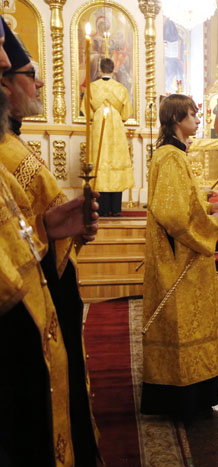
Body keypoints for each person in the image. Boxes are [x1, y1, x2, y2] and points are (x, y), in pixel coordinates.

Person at [0, 22, 101, 465]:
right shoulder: (10, 152)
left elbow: (21, 233)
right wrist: (45, 231)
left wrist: (50, 227)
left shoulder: (11, 144)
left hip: (42, 299)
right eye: (25, 73)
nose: (33, 81)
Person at [141, 94, 218, 420]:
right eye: (193, 113)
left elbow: (184, 201)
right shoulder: (170, 157)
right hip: (179, 260)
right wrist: (213, 225)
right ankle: (181, 399)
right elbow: (173, 215)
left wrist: (209, 206)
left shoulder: (176, 155)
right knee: (181, 325)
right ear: (178, 117)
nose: (198, 118)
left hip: (188, 260)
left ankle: (198, 393)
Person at [82, 57, 133, 217]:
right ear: (113, 70)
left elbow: (86, 111)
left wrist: (97, 114)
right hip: (116, 126)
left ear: (99, 69)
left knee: (99, 159)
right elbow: (126, 113)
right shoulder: (121, 88)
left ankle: (101, 208)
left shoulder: (92, 87)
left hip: (98, 125)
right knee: (116, 160)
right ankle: (116, 208)